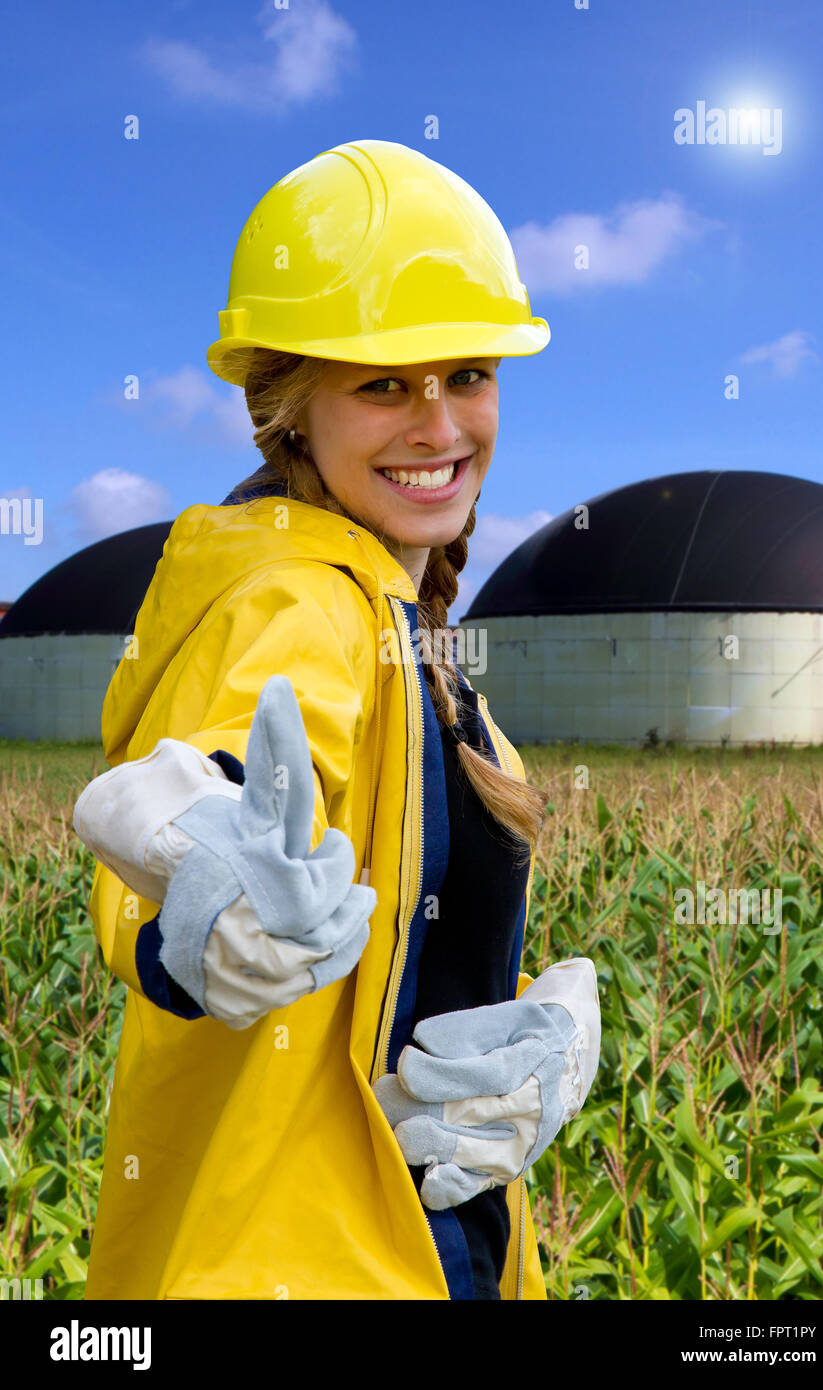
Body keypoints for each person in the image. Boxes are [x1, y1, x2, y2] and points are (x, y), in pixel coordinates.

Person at [73, 138, 601, 1301]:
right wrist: (198, 891)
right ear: (287, 410)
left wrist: (540, 1042)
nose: (436, 422)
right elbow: (212, 789)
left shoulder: (415, 642)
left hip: (420, 1252)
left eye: (466, 373)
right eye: (381, 383)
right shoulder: (295, 598)